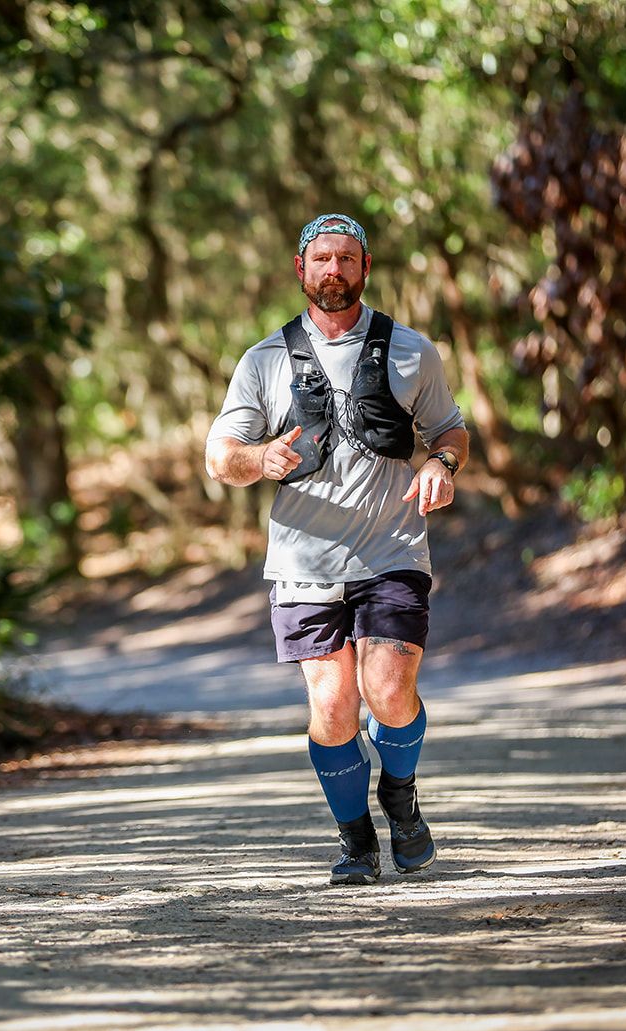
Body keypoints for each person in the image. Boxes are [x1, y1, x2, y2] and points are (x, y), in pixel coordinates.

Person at [205, 213, 470, 886]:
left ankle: (400, 794)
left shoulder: (411, 351)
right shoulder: (264, 360)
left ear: (365, 266)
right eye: (321, 258)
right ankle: (357, 842)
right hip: (302, 563)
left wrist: (441, 464)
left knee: (387, 689)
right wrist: (258, 458)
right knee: (332, 708)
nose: (334, 270)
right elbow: (220, 456)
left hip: (393, 550)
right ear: (301, 269)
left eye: (346, 259)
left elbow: (450, 430)